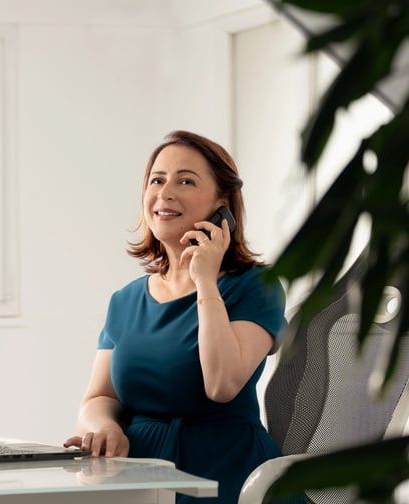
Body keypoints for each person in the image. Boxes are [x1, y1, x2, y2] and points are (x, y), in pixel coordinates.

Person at [64, 130, 290, 503]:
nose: (165, 192)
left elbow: (222, 384)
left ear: (222, 204)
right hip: (137, 477)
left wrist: (205, 282)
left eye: (185, 180)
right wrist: (103, 427)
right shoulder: (125, 300)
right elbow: (98, 397)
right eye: (157, 180)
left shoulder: (256, 287)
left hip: (225, 477)